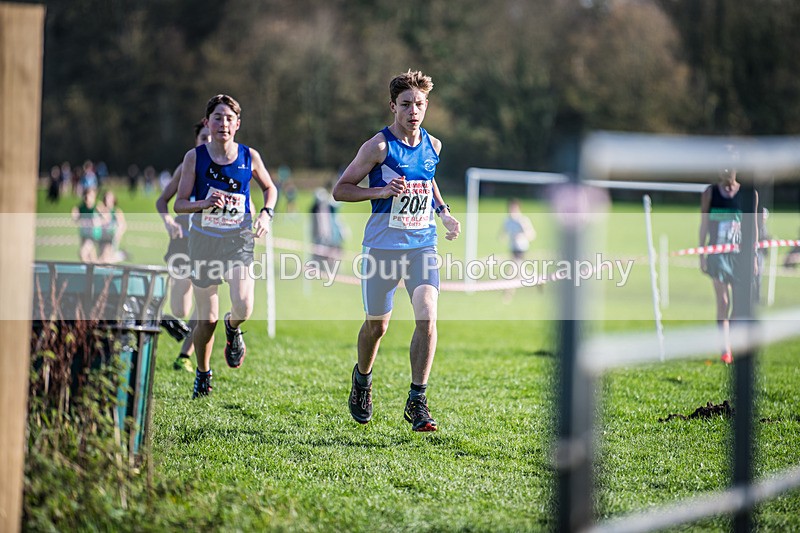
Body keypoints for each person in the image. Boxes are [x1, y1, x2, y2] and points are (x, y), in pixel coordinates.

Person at [332, 69, 460, 432]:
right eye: (406, 104)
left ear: (426, 106)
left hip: (422, 245)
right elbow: (341, 189)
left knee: (428, 317)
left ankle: (417, 400)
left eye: (419, 104)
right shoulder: (378, 146)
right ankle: (362, 381)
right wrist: (380, 192)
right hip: (383, 248)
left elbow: (429, 180)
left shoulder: (433, 145)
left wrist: (444, 213)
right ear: (393, 106)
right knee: (377, 326)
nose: (413, 111)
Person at [174, 94, 277, 399]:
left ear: (238, 124)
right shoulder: (195, 158)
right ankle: (203, 373)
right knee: (206, 319)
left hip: (238, 239)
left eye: (229, 118)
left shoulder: (249, 156)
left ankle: (233, 330)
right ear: (207, 122)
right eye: (217, 117)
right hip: (204, 242)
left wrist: (265, 214)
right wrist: (202, 203)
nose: (223, 123)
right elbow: (179, 204)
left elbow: (270, 188)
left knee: (244, 304)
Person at [157, 120, 212, 372]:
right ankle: (166, 319)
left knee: (204, 306)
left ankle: (184, 356)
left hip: (210, 245)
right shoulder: (186, 166)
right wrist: (168, 220)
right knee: (180, 308)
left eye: (211, 137)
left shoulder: (226, 170)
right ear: (196, 141)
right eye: (203, 137)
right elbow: (162, 201)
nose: (208, 142)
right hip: (181, 243)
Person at [699, 162, 758, 364]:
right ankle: (725, 348)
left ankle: (728, 338)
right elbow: (704, 224)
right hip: (717, 255)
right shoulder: (710, 193)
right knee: (723, 302)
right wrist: (701, 252)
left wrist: (754, 256)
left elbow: (753, 227)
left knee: (740, 304)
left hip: (740, 256)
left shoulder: (750, 194)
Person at [499, 198, 537, 301]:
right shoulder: (508, 220)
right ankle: (536, 279)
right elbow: (503, 232)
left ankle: (507, 295)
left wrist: (522, 235)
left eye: (513, 208)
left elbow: (532, 234)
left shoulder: (522, 220)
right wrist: (503, 236)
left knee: (511, 271)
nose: (511, 211)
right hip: (513, 248)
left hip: (521, 249)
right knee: (519, 272)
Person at [310, 181, 346, 268]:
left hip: (334, 231)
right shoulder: (322, 205)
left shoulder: (331, 204)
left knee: (334, 250)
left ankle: (332, 267)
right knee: (322, 250)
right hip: (326, 232)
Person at [71, 187, 105, 263]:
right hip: (84, 234)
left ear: (94, 197)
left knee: (82, 253)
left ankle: (89, 271)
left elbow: (106, 218)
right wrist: (75, 216)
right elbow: (76, 219)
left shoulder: (97, 207)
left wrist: (98, 222)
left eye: (90, 196)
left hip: (93, 235)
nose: (87, 198)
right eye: (86, 195)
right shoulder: (81, 207)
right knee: (92, 258)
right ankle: (96, 271)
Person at [98, 190, 127, 263]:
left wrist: (118, 235)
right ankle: (120, 255)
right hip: (102, 237)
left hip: (111, 237)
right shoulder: (102, 210)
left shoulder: (116, 211)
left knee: (105, 259)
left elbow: (123, 225)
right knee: (102, 258)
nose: (108, 200)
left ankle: (120, 256)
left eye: (110, 198)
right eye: (107, 198)